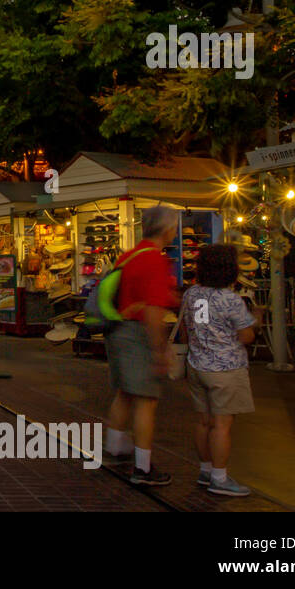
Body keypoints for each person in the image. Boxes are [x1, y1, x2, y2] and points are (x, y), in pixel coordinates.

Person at [102, 206, 179, 486]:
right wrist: (160, 350)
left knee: (124, 392)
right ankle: (142, 468)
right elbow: (153, 312)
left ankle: (113, 449)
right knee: (147, 400)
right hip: (138, 334)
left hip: (118, 330)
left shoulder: (129, 255)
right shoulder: (155, 261)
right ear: (168, 230)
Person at [179, 243, 259, 498]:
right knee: (222, 425)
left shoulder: (191, 294)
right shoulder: (230, 299)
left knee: (203, 421)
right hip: (226, 368)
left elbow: (185, 328)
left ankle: (205, 470)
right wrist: (257, 317)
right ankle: (219, 478)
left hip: (196, 364)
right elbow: (246, 336)